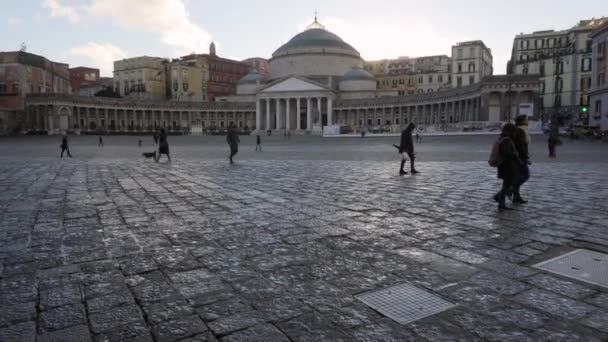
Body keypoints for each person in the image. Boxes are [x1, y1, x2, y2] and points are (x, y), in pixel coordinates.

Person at [493, 123, 523, 210]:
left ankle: (501, 201)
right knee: (507, 184)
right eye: (513, 131)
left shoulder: (502, 138)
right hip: (508, 166)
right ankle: (500, 201)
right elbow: (507, 153)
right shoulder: (506, 140)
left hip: (506, 166)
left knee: (506, 184)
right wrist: (515, 156)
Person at [512, 115, 531, 204]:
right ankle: (510, 190)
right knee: (525, 175)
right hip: (520, 158)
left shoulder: (521, 130)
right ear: (522, 121)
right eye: (526, 120)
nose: (528, 121)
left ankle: (516, 196)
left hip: (519, 157)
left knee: (519, 176)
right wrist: (526, 157)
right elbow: (521, 146)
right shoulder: (521, 131)